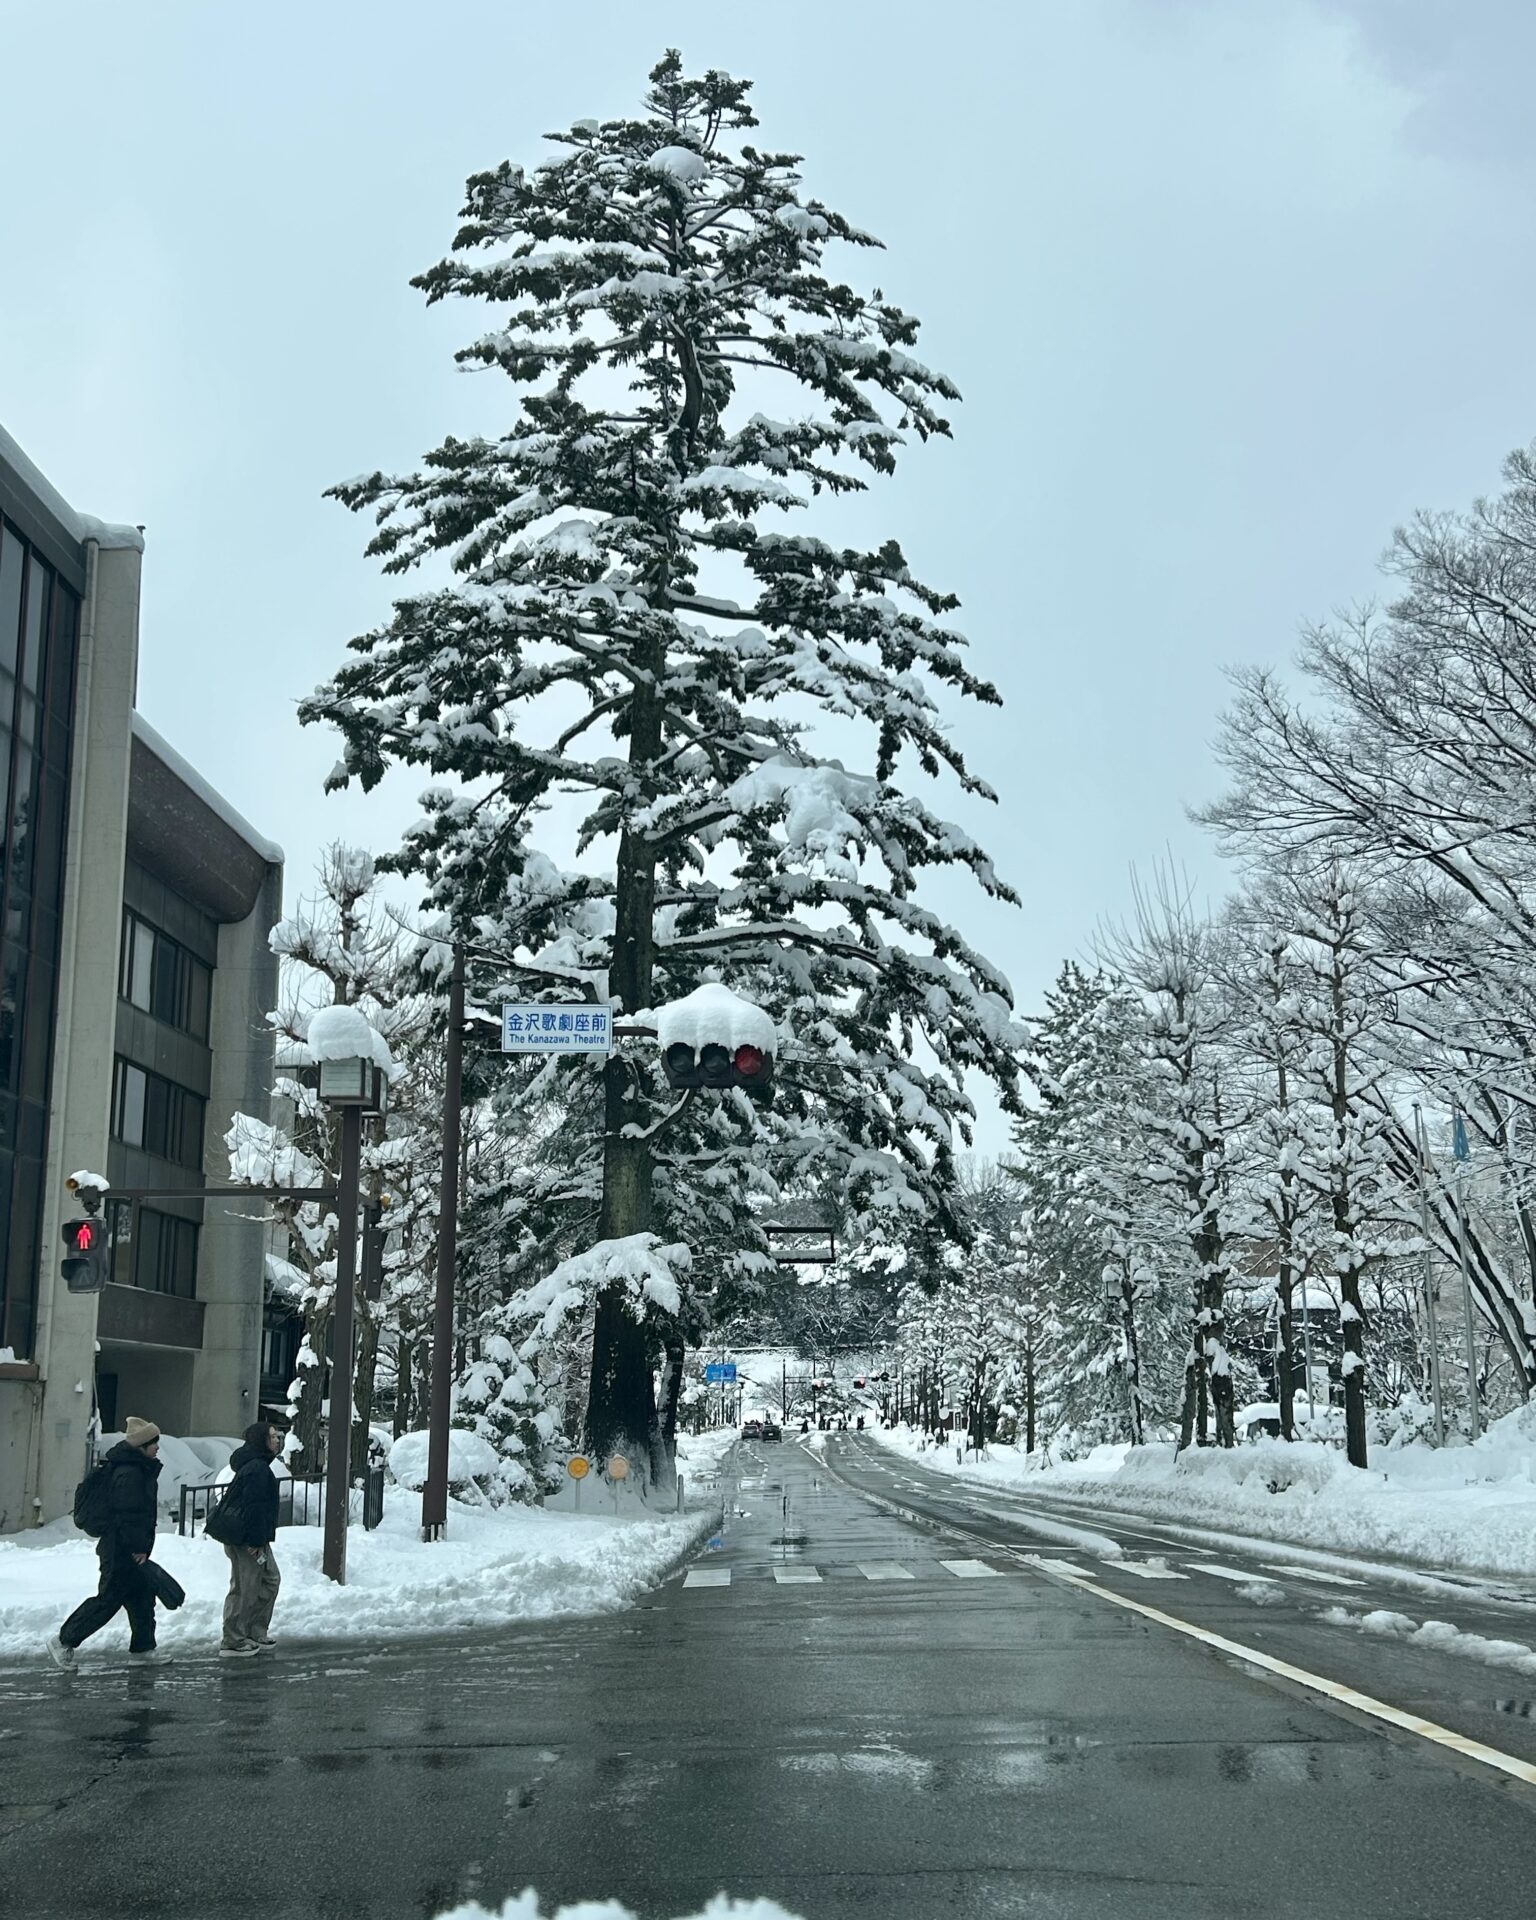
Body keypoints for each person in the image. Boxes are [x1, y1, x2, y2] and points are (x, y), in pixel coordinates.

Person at [48, 1417, 170, 1667]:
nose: (158, 1446)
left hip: (128, 1547)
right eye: (153, 1442)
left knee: (142, 1597)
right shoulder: (130, 1473)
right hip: (120, 1549)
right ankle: (63, 1640)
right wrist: (138, 1548)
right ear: (141, 1446)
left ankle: (143, 1649)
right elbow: (129, 1515)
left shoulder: (138, 1469)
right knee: (108, 1600)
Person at [218, 1420, 284, 1659]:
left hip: (253, 1537)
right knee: (245, 1587)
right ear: (262, 1441)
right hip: (247, 1539)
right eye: (273, 1436)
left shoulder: (258, 1465)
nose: (278, 1440)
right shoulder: (257, 1469)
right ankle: (233, 1638)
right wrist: (256, 1542)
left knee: (268, 1580)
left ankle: (254, 1630)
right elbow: (254, 1508)